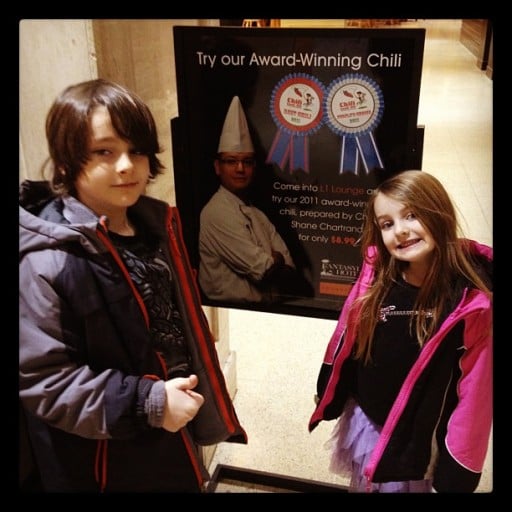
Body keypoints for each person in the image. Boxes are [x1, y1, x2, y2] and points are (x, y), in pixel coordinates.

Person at [19, 78, 247, 493]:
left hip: (168, 425)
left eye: (136, 150)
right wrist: (149, 403)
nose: (126, 165)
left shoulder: (153, 225)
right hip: (108, 452)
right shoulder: (48, 261)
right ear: (68, 161)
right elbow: (45, 381)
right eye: (105, 151)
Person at [308, 170, 492, 493]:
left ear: (439, 213)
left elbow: (476, 396)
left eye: (411, 216)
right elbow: (346, 339)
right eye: (387, 223)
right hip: (368, 420)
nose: (401, 232)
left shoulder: (469, 304)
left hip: (416, 437)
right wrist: (330, 392)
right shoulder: (376, 277)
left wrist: (457, 473)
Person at [198, 96, 300, 304]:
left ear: (254, 167)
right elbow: (266, 271)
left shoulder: (258, 215)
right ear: (218, 167)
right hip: (231, 311)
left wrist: (275, 262)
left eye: (247, 162)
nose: (240, 169)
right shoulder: (216, 212)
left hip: (264, 311)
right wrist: (275, 259)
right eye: (230, 161)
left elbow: (290, 273)